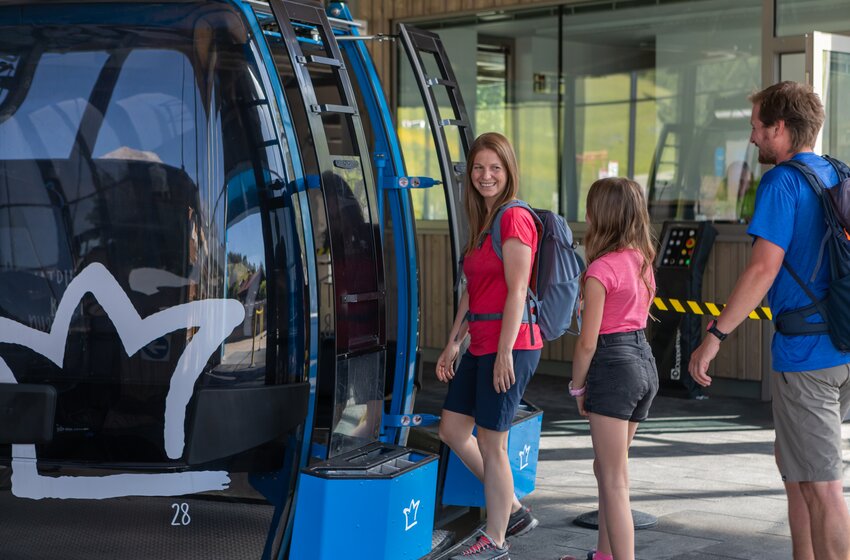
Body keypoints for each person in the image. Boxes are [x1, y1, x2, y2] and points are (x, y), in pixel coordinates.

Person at [688, 81, 850, 560]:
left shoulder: (783, 182)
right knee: (797, 472)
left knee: (823, 487)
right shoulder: (835, 173)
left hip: (808, 357)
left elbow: (762, 268)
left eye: (758, 126)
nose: (753, 137)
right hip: (839, 344)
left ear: (780, 128)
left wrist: (714, 336)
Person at [436, 132, 541, 560]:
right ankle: (512, 507)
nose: (485, 175)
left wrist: (503, 352)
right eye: (479, 167)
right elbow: (472, 291)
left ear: (509, 171)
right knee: (453, 429)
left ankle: (497, 540)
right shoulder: (485, 221)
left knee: (492, 443)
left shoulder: (514, 218)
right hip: (479, 341)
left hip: (509, 345)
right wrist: (452, 343)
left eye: (495, 168)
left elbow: (517, 290)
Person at [558, 177, 659, 560]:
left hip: (613, 368)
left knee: (615, 481)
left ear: (599, 216)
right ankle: (603, 554)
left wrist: (578, 388)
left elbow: (587, 342)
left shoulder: (600, 270)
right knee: (607, 469)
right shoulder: (642, 261)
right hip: (643, 364)